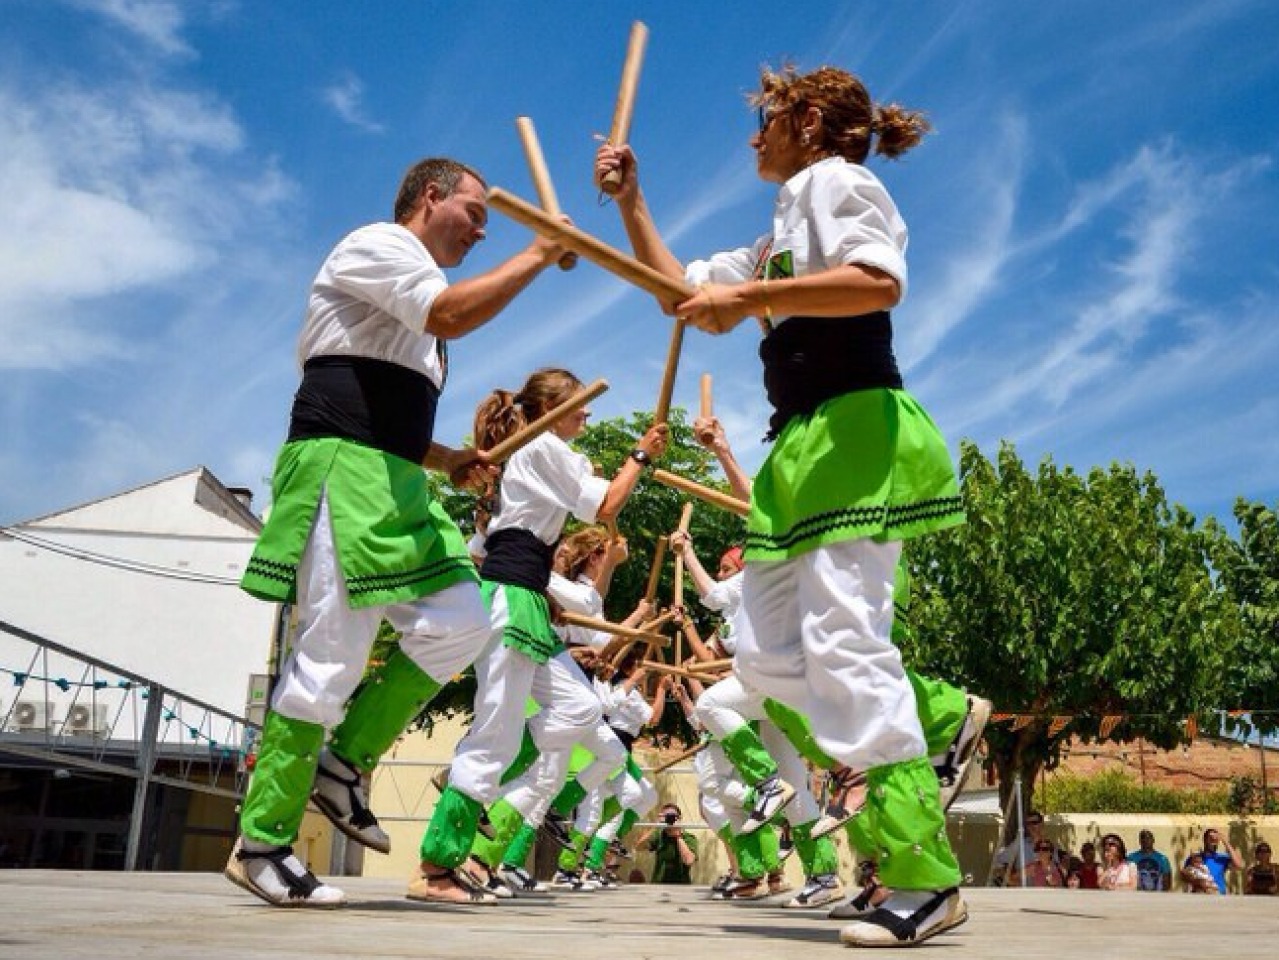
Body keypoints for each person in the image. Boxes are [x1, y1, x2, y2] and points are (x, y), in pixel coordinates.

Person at [598, 62, 969, 947]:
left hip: (853, 435)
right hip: (795, 452)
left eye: (764, 120)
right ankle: (936, 714)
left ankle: (923, 874)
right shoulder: (771, 237)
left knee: (845, 644)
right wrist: (629, 203)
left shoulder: (838, 182)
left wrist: (750, 295)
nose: (751, 136)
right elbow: (683, 296)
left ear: (806, 120)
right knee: (761, 657)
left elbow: (878, 283)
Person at [224, 157, 569, 908]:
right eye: (475, 210)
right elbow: (445, 315)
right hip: (340, 473)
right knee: (327, 660)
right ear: (430, 197)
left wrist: (449, 459)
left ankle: (341, 762)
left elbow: (386, 405)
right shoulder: (377, 246)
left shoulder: (419, 307)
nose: (482, 227)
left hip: (393, 480)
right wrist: (540, 250)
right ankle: (263, 842)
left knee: (464, 621)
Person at [413, 367, 668, 904]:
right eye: (578, 405)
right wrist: (640, 455)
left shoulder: (536, 449)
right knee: (498, 729)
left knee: (575, 706)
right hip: (509, 599)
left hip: (524, 596)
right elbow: (604, 506)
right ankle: (436, 866)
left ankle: (473, 785)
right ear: (551, 406)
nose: (586, 413)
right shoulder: (542, 445)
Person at [636, 803, 699, 884]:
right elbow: (639, 847)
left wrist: (678, 837)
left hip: (681, 887)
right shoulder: (659, 835)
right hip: (658, 885)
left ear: (679, 819)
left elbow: (689, 861)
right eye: (667, 816)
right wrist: (655, 825)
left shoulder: (688, 838)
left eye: (673, 816)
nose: (670, 819)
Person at [1183, 827, 1242, 894]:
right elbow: (1184, 877)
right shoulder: (1195, 858)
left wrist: (1225, 842)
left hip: (1219, 895)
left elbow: (1238, 865)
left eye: (1215, 838)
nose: (1213, 840)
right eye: (1210, 837)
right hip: (1200, 894)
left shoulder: (1221, 858)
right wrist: (1199, 882)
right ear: (1205, 840)